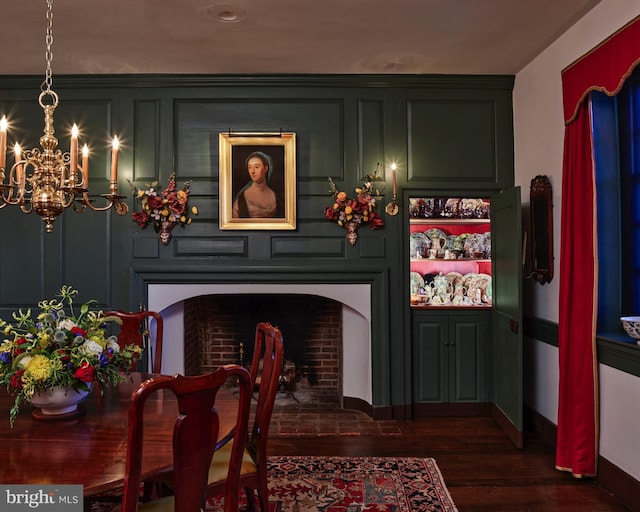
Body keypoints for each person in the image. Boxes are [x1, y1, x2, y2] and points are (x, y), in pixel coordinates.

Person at [232, 151, 284, 218]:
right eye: (249, 167)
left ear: (265, 169)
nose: (252, 171)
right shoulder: (241, 199)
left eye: (256, 167)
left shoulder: (277, 198)